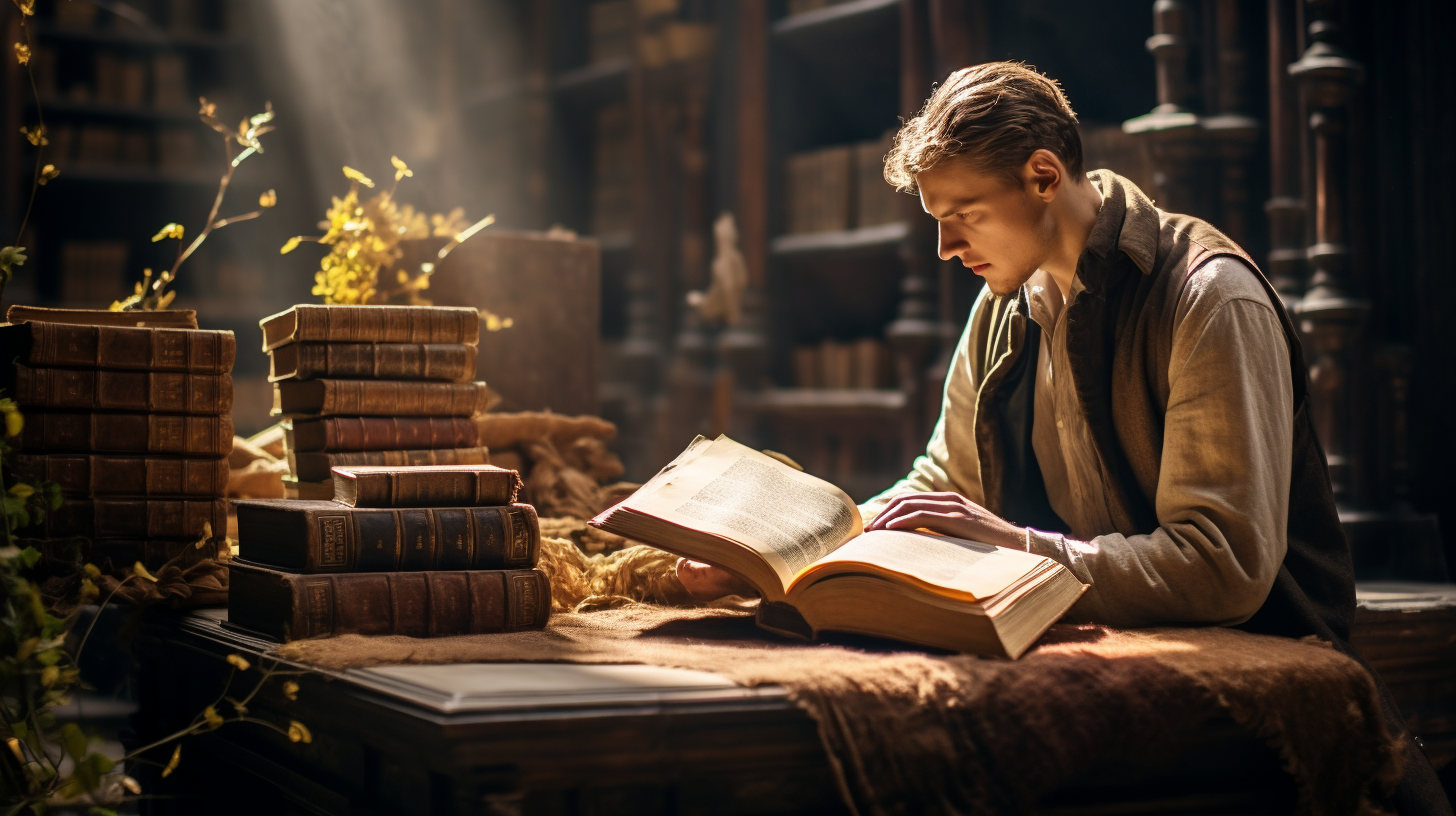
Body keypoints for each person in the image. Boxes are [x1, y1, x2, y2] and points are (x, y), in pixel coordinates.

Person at [676, 61, 1451, 814]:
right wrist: (794, 555)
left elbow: (1225, 568)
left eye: (964, 215)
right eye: (936, 222)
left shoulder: (1209, 298)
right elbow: (942, 485)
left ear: (1044, 176)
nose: (946, 249)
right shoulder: (1004, 303)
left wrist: (1023, 549)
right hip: (1107, 656)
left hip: (1260, 684)